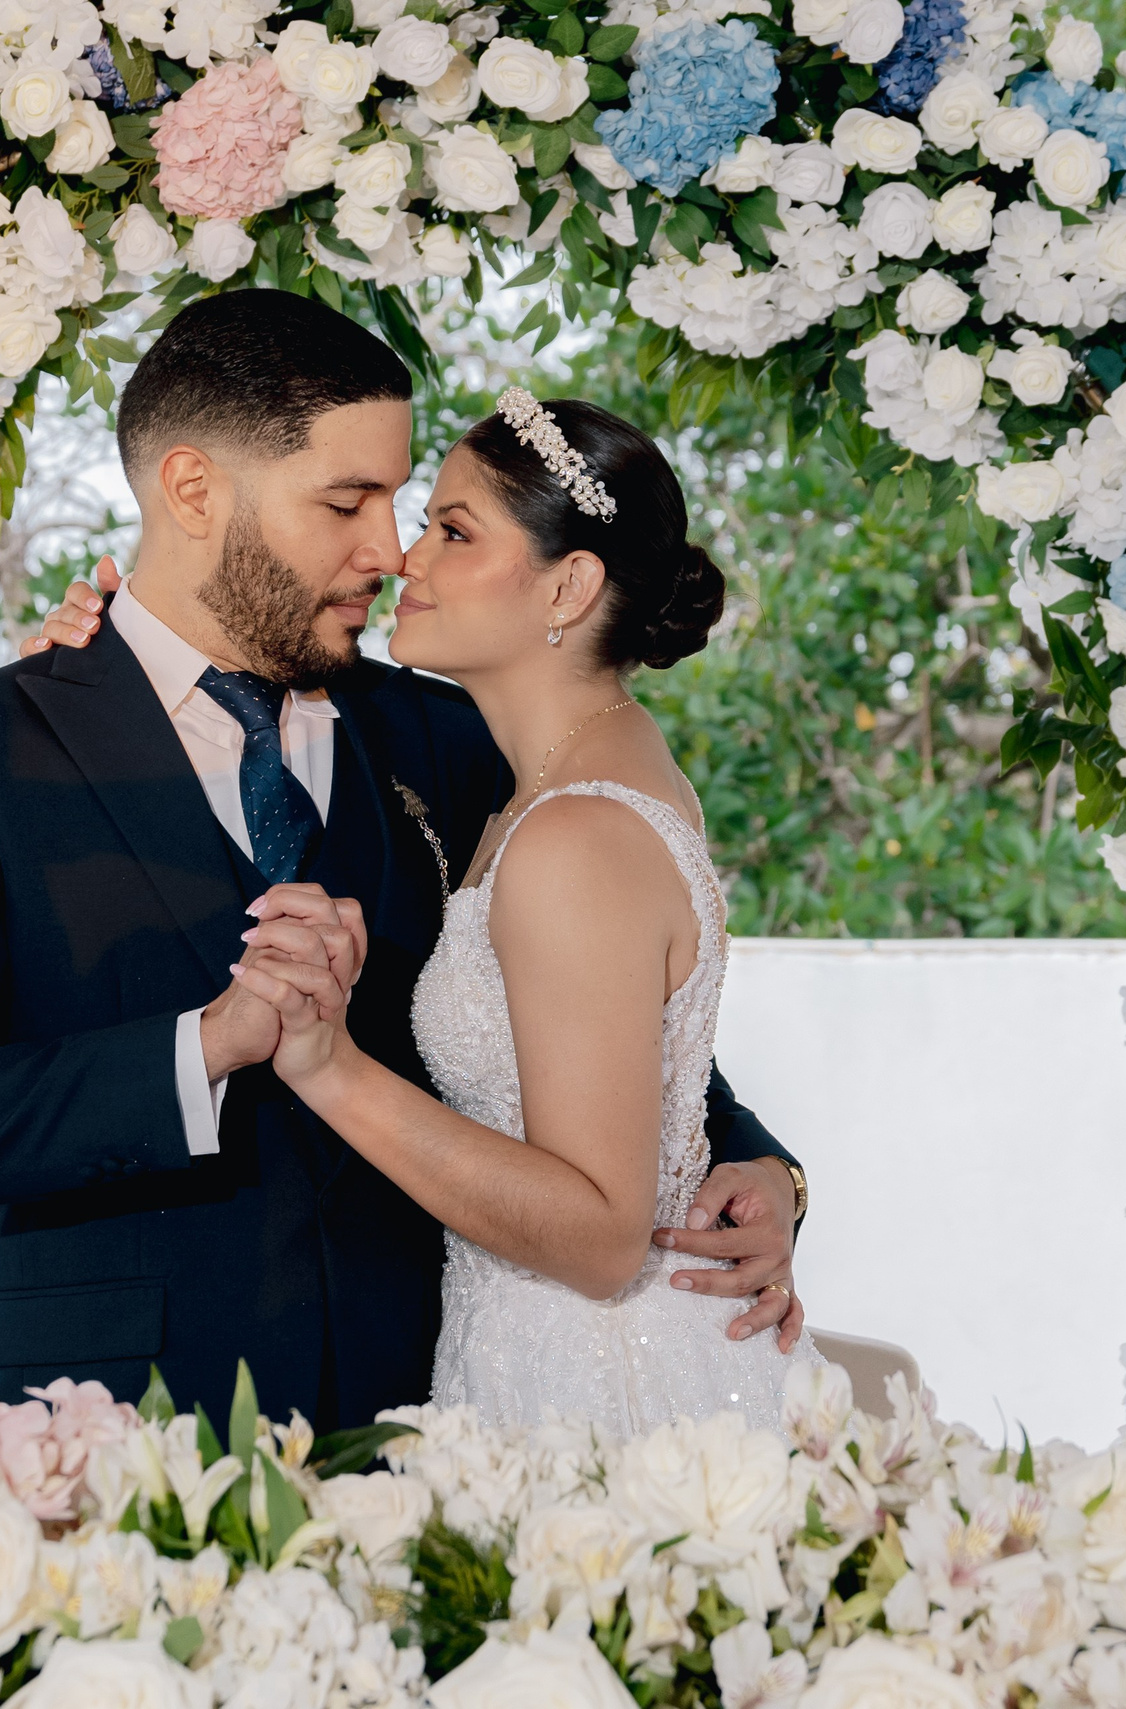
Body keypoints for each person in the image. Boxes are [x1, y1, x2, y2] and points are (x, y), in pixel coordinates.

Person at [0, 290, 808, 1437]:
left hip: (429, 1424)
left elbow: (609, 1013)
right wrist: (206, 1046)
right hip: (108, 1432)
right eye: (348, 501)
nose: (388, 552)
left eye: (401, 504)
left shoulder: (449, 737)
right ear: (194, 490)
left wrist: (765, 1173)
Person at [218, 391, 830, 1432]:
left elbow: (600, 1236)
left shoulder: (572, 833)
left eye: (454, 531)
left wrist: (330, 1067)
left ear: (571, 583)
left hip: (595, 1382)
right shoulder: (548, 783)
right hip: (519, 1351)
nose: (407, 559)